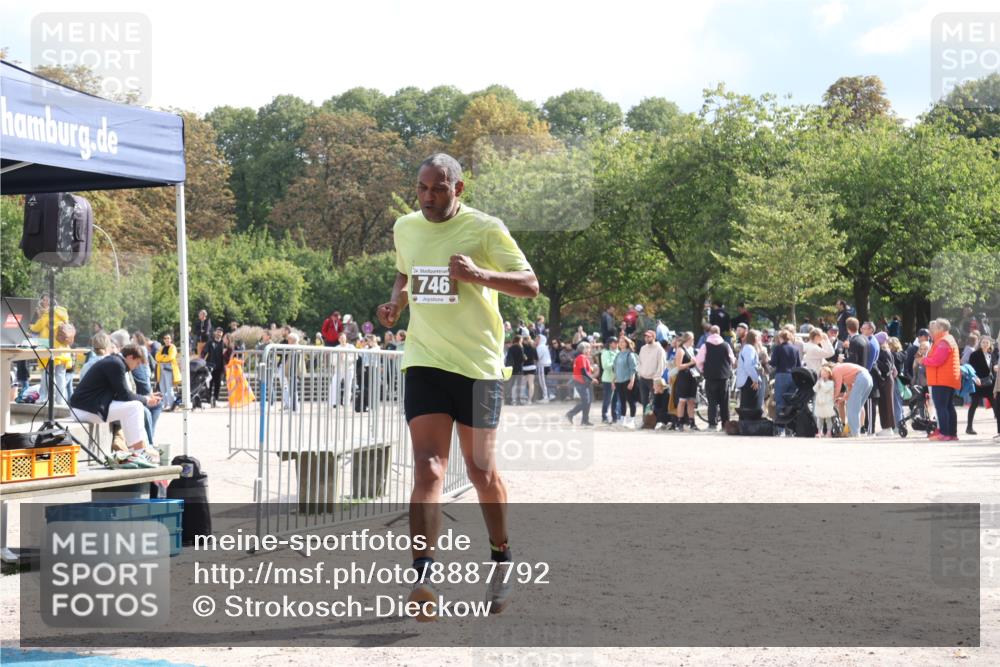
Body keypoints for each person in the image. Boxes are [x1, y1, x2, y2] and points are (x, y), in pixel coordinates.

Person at [376, 152, 537, 618]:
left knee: (481, 471)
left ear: (458, 189)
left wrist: (478, 275)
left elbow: (530, 283)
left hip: (478, 365)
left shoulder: (486, 228)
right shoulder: (406, 227)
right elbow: (405, 272)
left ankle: (502, 557)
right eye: (423, 188)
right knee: (427, 468)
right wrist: (395, 304)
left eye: (439, 189)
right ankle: (424, 577)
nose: (429, 197)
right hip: (425, 359)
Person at [69, 343, 162, 460]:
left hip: (86, 408)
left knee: (133, 408)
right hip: (84, 410)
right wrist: (146, 400)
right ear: (130, 357)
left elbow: (122, 395)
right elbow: (125, 395)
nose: (137, 367)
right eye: (137, 363)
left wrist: (146, 396)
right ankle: (139, 451)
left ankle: (136, 450)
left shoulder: (115, 362)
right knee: (136, 407)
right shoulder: (116, 364)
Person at [921, 318, 961, 441]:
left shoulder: (943, 341)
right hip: (948, 378)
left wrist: (923, 360)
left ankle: (944, 433)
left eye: (935, 326)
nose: (932, 328)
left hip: (941, 379)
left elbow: (937, 360)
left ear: (941, 328)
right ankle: (952, 433)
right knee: (949, 406)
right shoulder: (947, 339)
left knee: (942, 407)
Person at [695, 325, 734, 430]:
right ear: (719, 332)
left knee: (712, 402)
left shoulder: (705, 346)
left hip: (710, 377)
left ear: (710, 333)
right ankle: (725, 424)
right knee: (724, 402)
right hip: (724, 377)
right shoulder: (726, 345)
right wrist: (727, 368)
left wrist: (703, 370)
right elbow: (732, 360)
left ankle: (712, 424)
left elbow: (699, 361)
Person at [770, 329, 801, 435]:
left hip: (781, 375)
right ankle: (790, 428)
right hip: (792, 376)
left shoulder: (778, 348)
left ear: (780, 338)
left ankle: (781, 428)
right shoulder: (795, 349)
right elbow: (799, 365)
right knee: (790, 402)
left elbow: (773, 363)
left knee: (780, 401)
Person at [833, 362, 873, 438]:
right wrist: (842, 399)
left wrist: (831, 399)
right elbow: (850, 390)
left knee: (851, 407)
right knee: (856, 407)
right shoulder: (844, 372)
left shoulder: (835, 370)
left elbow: (837, 388)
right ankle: (853, 431)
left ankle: (854, 433)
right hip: (869, 379)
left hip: (862, 377)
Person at [966, 336, 994, 436]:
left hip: (990, 384)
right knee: (974, 404)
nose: (985, 344)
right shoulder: (974, 355)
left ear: (990, 344)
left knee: (996, 405)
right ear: (980, 343)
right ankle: (969, 427)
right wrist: (974, 378)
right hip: (977, 382)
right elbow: (970, 368)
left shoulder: (992, 355)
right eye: (983, 342)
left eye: (987, 343)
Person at [566, 341, 598, 426]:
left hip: (582, 382)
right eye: (588, 348)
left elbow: (585, 370)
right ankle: (571, 414)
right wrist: (592, 379)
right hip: (581, 382)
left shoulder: (582, 357)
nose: (589, 350)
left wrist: (591, 368)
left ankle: (585, 420)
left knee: (587, 401)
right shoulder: (582, 357)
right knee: (586, 401)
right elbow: (584, 372)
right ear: (583, 349)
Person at [673, 332, 699, 431]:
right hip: (683, 377)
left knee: (691, 401)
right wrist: (690, 363)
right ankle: (679, 423)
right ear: (688, 339)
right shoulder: (680, 350)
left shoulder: (691, 349)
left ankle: (692, 423)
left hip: (692, 377)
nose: (693, 341)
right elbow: (679, 366)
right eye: (692, 339)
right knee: (682, 400)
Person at [612, 336, 639, 428]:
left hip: (628, 380)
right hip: (619, 381)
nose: (621, 343)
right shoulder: (618, 355)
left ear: (627, 343)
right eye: (620, 342)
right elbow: (615, 369)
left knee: (631, 401)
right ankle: (622, 419)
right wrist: (613, 381)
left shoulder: (630, 355)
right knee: (622, 401)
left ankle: (632, 420)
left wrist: (632, 382)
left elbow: (633, 370)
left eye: (623, 342)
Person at [637, 329, 667, 411]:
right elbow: (639, 362)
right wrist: (640, 372)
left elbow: (662, 365)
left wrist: (656, 378)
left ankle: (656, 420)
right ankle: (645, 420)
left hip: (654, 379)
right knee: (644, 401)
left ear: (653, 337)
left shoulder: (659, 349)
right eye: (645, 337)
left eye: (648, 337)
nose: (646, 338)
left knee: (656, 401)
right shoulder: (643, 348)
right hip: (643, 378)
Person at [736, 329, 763, 413]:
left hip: (748, 379)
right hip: (749, 380)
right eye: (759, 337)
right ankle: (747, 424)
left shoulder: (748, 348)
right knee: (750, 407)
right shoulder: (749, 348)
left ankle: (745, 424)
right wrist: (755, 379)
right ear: (755, 338)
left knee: (747, 406)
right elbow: (748, 366)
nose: (760, 340)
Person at [201, 327, 226, 408]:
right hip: (210, 367)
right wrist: (201, 361)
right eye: (218, 332)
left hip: (220, 368)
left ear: (222, 334)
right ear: (215, 332)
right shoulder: (210, 342)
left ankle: (216, 400)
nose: (219, 333)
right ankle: (208, 401)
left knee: (218, 385)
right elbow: (204, 352)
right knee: (209, 385)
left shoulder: (223, 343)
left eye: (220, 332)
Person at [155, 333, 181, 411]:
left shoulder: (173, 347)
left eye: (168, 338)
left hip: (169, 369)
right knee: (162, 388)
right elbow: (157, 357)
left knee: (169, 388)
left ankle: (171, 405)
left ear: (171, 339)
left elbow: (171, 357)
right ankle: (164, 404)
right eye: (165, 338)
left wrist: (162, 358)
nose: (167, 339)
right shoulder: (161, 348)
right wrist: (164, 357)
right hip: (161, 369)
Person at [599, 337, 619, 424]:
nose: (617, 343)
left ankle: (615, 417)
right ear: (610, 343)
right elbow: (605, 366)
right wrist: (616, 363)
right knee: (607, 399)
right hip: (608, 379)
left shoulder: (618, 352)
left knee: (615, 399)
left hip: (618, 379)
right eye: (615, 342)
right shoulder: (605, 353)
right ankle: (604, 416)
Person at [813, 364, 837, 437]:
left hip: (827, 403)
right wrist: (818, 383)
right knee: (819, 418)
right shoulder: (819, 382)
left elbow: (825, 389)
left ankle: (829, 432)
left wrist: (822, 383)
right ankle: (819, 432)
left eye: (825, 373)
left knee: (828, 418)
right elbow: (814, 389)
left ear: (829, 374)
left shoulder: (831, 383)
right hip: (819, 403)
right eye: (822, 373)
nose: (823, 374)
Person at [505, 335, 526, 406]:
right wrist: (525, 357)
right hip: (519, 368)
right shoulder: (520, 347)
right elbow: (522, 358)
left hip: (512, 369)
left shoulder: (510, 348)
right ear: (519, 340)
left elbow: (508, 358)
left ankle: (508, 400)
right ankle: (518, 400)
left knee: (510, 384)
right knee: (519, 385)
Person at [534, 332, 552, 402]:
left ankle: (545, 397)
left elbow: (537, 357)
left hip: (542, 366)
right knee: (543, 382)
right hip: (546, 366)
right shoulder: (544, 346)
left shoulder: (540, 347)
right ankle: (546, 396)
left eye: (537, 338)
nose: (536, 340)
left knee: (542, 382)